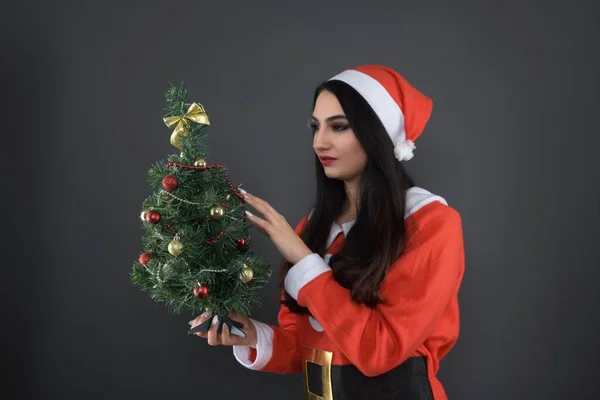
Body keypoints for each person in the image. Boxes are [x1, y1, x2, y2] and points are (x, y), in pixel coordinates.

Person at [190, 64, 465, 399]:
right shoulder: (316, 226)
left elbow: (380, 350)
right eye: (315, 127)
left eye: (339, 127)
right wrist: (252, 335)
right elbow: (310, 345)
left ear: (377, 134)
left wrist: (303, 261)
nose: (320, 142)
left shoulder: (429, 223)